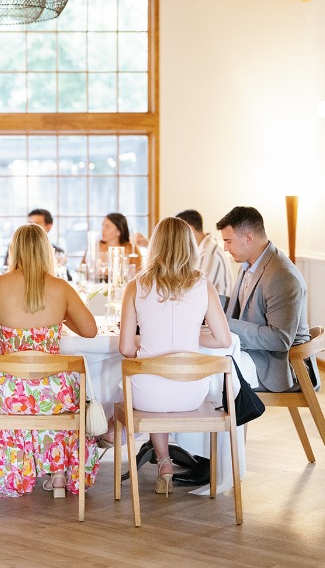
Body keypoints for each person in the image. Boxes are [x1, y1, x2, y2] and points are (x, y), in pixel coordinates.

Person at [0, 223, 101, 497]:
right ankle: (58, 474)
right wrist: (58, 316)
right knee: (67, 401)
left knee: (1, 400)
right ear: (47, 251)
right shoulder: (60, 287)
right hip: (54, 392)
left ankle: (14, 473)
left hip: (10, 394)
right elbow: (90, 331)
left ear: (14, 250)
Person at [118, 217, 231, 495]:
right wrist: (192, 336)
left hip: (148, 395)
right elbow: (223, 339)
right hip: (191, 392)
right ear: (189, 247)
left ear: (155, 246)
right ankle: (165, 461)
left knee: (145, 383)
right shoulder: (203, 285)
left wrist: (145, 342)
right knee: (161, 382)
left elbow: (125, 349)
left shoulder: (136, 285)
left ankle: (161, 460)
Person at [216, 205, 313, 392]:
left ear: (248, 238)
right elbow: (243, 306)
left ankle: (229, 420)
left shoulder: (282, 276)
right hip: (258, 353)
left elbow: (279, 340)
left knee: (216, 374)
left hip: (281, 366)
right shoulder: (248, 264)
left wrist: (224, 323)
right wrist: (206, 302)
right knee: (210, 362)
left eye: (228, 241)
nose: (225, 248)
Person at [176, 209, 233, 298]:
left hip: (219, 308)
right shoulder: (203, 247)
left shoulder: (210, 252)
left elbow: (200, 289)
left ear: (189, 229)